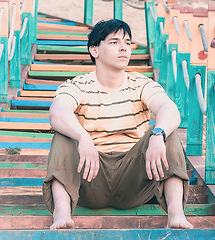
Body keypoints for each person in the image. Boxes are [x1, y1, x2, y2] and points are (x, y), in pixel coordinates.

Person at [42, 19, 193, 230]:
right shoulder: (78, 85)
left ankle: (176, 213)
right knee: (63, 134)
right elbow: (57, 112)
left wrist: (158, 134)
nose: (124, 48)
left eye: (128, 43)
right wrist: (83, 138)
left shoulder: (141, 84)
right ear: (94, 49)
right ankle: (62, 212)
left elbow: (170, 110)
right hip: (90, 178)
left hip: (135, 180)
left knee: (167, 132)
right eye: (114, 42)